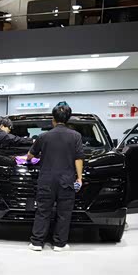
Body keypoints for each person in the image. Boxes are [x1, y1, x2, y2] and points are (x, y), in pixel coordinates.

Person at [27, 103, 85, 252]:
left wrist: (30, 158)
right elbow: (78, 158)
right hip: (66, 180)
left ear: (53, 119)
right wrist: (79, 178)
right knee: (64, 213)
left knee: (43, 211)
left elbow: (30, 155)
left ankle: (37, 243)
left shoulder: (43, 136)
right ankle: (59, 244)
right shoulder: (76, 136)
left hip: (46, 179)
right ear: (68, 119)